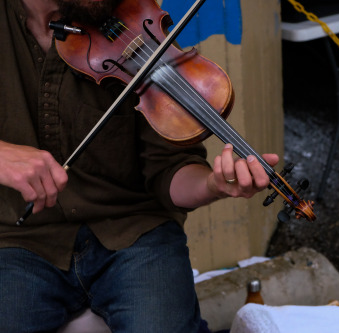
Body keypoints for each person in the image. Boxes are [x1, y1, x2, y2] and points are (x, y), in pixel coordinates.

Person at [0, 0, 279, 332]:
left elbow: (169, 168)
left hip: (133, 232)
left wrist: (214, 185)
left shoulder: (131, 17)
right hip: (17, 240)